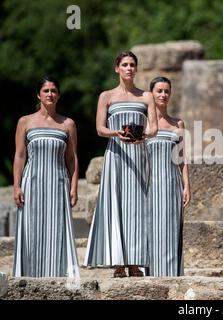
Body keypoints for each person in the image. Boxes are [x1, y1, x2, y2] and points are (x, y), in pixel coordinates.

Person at [84, 51, 157, 277]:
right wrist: (116, 133)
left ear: (136, 69)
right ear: (117, 68)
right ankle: (118, 262)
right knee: (116, 205)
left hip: (138, 156)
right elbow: (99, 128)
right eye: (125, 64)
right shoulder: (106, 96)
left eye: (132, 65)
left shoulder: (146, 96)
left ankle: (135, 263)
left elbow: (154, 127)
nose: (129, 68)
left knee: (137, 208)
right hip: (116, 155)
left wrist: (143, 135)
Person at [12, 75, 79, 278]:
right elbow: (20, 155)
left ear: (58, 95)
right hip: (32, 183)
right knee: (32, 230)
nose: (50, 94)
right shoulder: (25, 122)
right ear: (39, 95)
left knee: (57, 229)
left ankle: (59, 275)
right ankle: (29, 275)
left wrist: (74, 187)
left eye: (53, 91)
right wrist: (16, 186)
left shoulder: (68, 124)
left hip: (58, 183)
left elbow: (72, 159)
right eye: (46, 91)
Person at [146, 76, 190, 276]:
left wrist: (186, 186)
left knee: (172, 230)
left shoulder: (178, 124)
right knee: (151, 229)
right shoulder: (144, 124)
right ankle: (152, 273)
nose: (163, 95)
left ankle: (172, 275)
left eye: (166, 91)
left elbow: (182, 159)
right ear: (151, 94)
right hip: (150, 185)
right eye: (159, 91)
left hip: (172, 185)